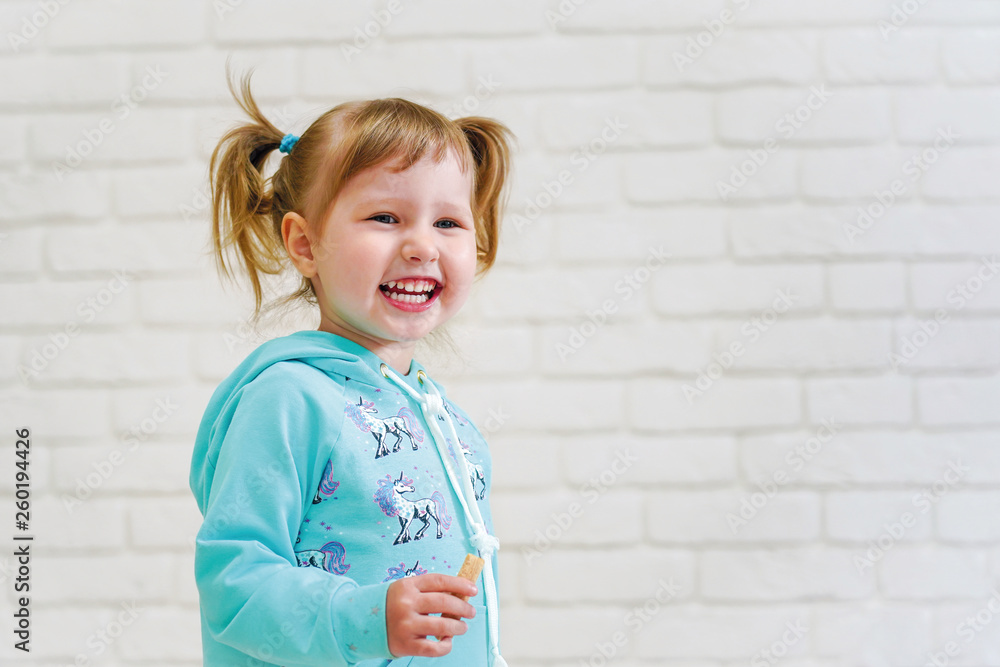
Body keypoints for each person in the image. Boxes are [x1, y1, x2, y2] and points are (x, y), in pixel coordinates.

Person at [189, 66, 515, 667]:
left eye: (447, 222)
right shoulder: (289, 400)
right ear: (305, 244)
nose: (422, 245)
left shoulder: (447, 423)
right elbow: (234, 582)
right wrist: (363, 616)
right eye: (385, 218)